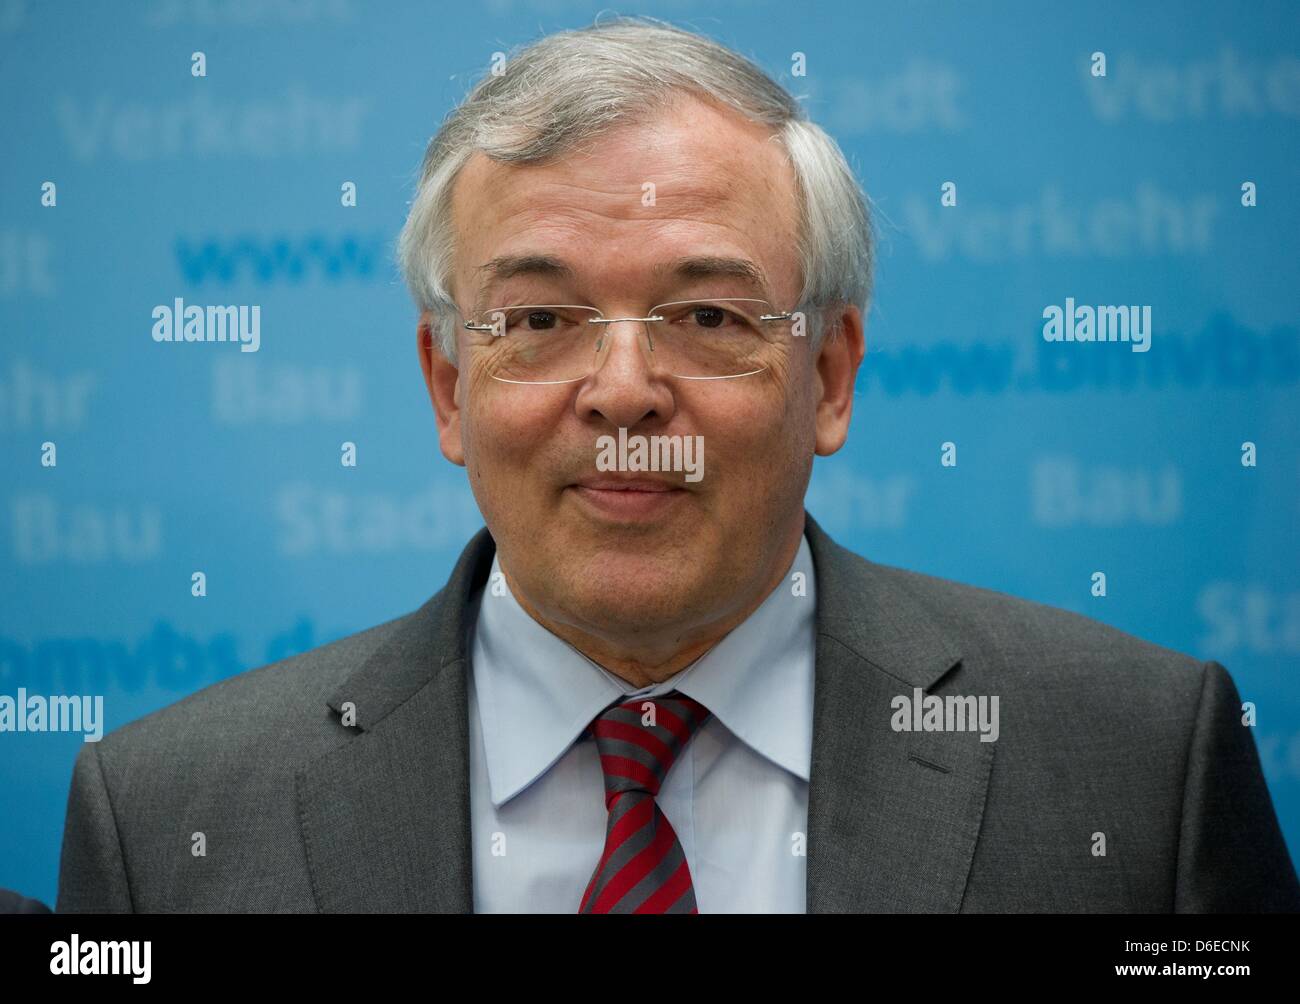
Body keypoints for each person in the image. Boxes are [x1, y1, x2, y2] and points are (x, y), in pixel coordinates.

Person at [57, 16, 1299, 913]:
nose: (623, 389)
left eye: (708, 316)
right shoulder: (171, 819)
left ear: (827, 374)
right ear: (447, 384)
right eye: (538, 321)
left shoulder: (1136, 764)